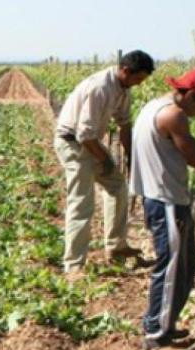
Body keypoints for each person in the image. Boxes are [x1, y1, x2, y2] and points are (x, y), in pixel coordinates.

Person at [128, 69, 195, 350]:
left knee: (185, 267)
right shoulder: (175, 116)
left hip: (161, 199)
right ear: (192, 95)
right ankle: (156, 333)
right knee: (171, 268)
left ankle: (166, 325)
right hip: (167, 203)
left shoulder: (153, 105)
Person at [54, 50, 155, 275]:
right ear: (125, 71)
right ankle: (74, 266)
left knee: (118, 187)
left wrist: (131, 158)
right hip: (73, 143)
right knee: (82, 203)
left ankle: (116, 247)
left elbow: (125, 124)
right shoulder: (100, 87)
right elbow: (84, 134)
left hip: (91, 143)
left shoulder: (123, 89)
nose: (139, 84)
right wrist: (104, 160)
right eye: (138, 79)